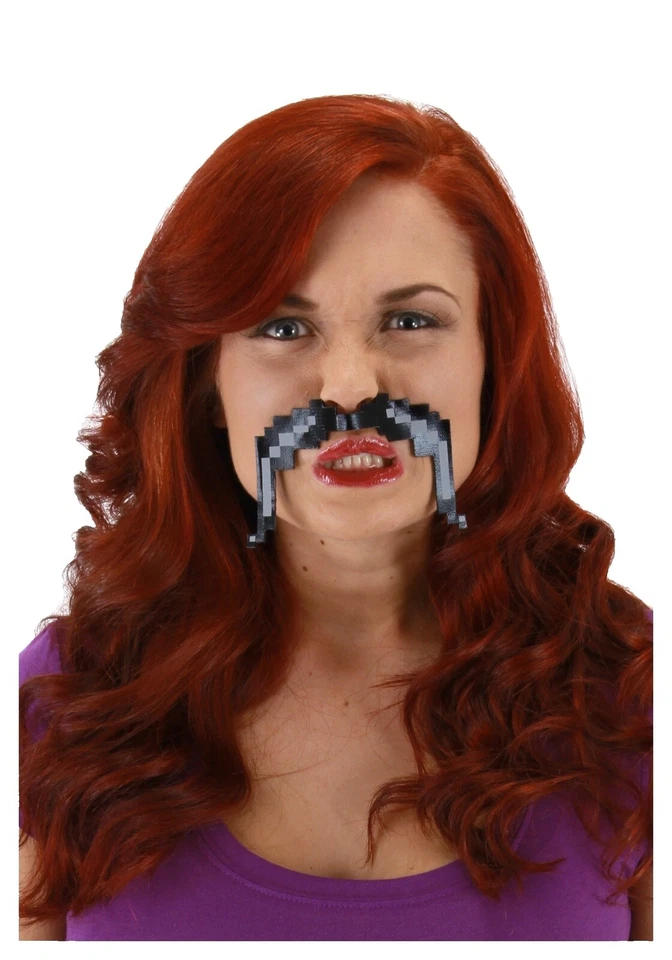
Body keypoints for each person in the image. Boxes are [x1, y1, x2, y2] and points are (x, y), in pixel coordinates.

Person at [19, 93, 652, 941]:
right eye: (284, 327)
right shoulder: (69, 700)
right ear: (209, 384)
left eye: (411, 320)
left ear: (493, 362)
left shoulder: (632, 695)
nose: (351, 387)